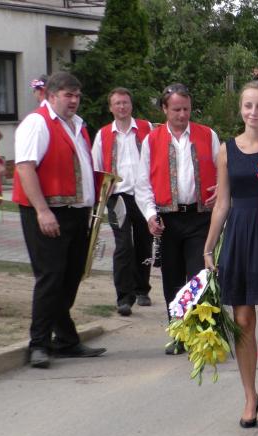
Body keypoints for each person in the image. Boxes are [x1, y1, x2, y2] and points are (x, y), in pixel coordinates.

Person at [203, 81, 258, 429]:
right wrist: (209, 246)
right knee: (242, 321)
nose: (253, 112)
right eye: (248, 106)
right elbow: (222, 203)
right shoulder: (226, 150)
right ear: (241, 109)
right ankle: (249, 395)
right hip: (239, 237)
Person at [12, 71, 107, 369]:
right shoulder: (37, 123)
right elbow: (25, 168)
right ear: (51, 96)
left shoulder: (77, 125)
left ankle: (65, 340)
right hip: (49, 211)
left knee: (71, 276)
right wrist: (42, 211)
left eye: (77, 95)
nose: (74, 101)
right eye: (68, 95)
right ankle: (39, 344)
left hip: (75, 213)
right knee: (51, 278)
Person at [135, 83, 219, 354]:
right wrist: (150, 214)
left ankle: (200, 334)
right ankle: (178, 332)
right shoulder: (151, 140)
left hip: (199, 217)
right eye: (176, 110)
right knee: (172, 278)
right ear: (164, 109)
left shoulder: (208, 135)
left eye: (186, 109)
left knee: (198, 277)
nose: (182, 114)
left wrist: (220, 190)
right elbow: (142, 183)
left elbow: (222, 170)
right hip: (168, 220)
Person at [91, 87, 153, 317]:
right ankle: (124, 298)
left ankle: (142, 289)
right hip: (117, 196)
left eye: (125, 102)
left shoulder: (147, 128)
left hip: (143, 195)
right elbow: (96, 167)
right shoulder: (103, 134)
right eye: (117, 103)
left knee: (145, 243)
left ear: (131, 105)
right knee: (124, 244)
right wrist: (100, 195)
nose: (122, 106)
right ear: (111, 107)